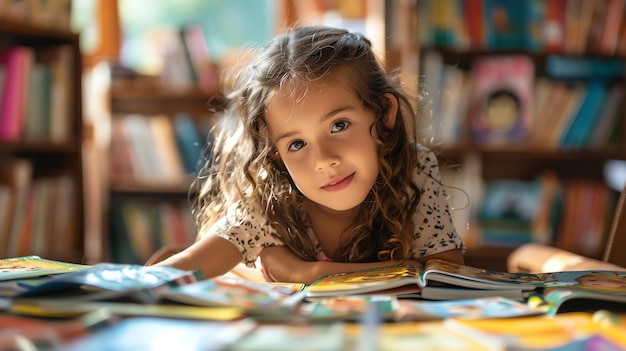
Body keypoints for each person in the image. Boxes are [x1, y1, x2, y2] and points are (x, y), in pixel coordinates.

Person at [155, 25, 466, 284]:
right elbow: (182, 268)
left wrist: (304, 272)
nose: (324, 160)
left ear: (383, 114)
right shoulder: (268, 194)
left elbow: (446, 275)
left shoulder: (413, 168)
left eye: (339, 125)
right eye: (296, 144)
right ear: (275, 155)